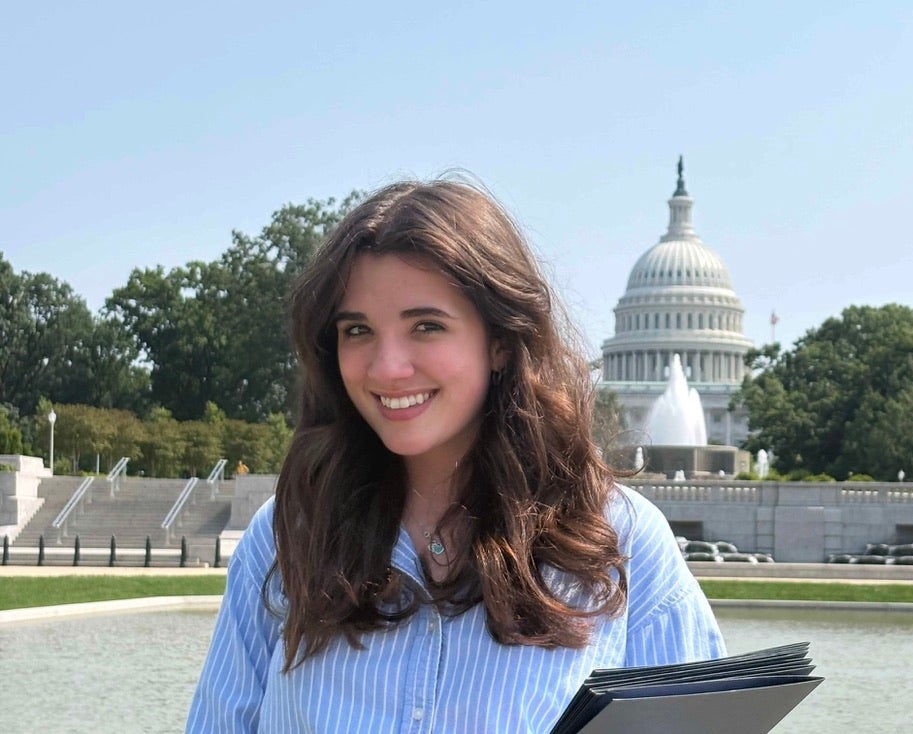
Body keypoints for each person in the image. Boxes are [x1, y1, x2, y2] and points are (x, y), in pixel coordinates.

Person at [186, 178, 725, 732]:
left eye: (426, 326)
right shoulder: (285, 538)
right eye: (357, 330)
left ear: (499, 340)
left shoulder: (623, 544)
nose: (387, 368)